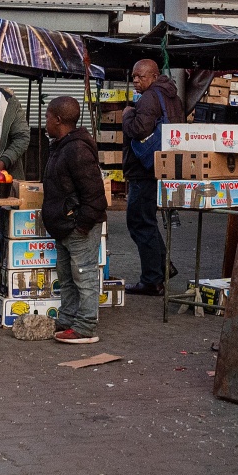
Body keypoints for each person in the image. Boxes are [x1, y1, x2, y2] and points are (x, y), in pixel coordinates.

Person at [39, 96, 107, 344]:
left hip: (77, 228)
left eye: (47, 116)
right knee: (67, 277)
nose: (44, 121)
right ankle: (67, 319)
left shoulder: (76, 149)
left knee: (84, 276)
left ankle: (86, 326)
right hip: (65, 228)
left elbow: (95, 195)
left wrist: (81, 226)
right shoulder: (61, 145)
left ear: (58, 119)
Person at [119, 56, 182, 297]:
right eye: (133, 76)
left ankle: (152, 280)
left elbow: (138, 130)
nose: (135, 80)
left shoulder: (148, 98)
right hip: (161, 168)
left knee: (139, 222)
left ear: (154, 76)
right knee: (147, 221)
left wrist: (127, 115)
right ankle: (162, 267)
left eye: (140, 76)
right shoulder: (171, 97)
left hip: (144, 170)